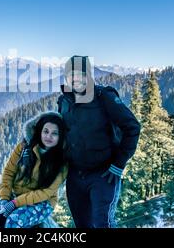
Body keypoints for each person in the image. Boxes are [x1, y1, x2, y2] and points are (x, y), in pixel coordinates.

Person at [58, 55, 141, 228]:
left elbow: (132, 127)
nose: (76, 79)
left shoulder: (104, 96)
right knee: (82, 225)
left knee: (103, 223)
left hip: (103, 174)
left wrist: (119, 164)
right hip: (75, 176)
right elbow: (59, 135)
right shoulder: (64, 101)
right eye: (71, 75)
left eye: (81, 74)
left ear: (89, 75)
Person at [0, 111, 68, 228]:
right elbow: (9, 173)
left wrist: (15, 203)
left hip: (42, 202)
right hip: (16, 195)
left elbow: (46, 192)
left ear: (61, 136)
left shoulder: (62, 162)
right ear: (39, 131)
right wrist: (4, 198)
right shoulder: (24, 148)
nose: (49, 136)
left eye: (54, 133)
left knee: (13, 221)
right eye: (46, 131)